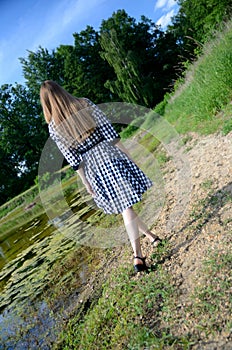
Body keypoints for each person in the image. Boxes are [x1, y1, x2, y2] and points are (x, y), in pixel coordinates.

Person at [40, 80, 161, 272]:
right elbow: (109, 133)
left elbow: (72, 157)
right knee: (126, 205)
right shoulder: (84, 103)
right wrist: (128, 154)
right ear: (62, 91)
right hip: (108, 154)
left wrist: (85, 181)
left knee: (125, 203)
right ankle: (138, 256)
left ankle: (151, 236)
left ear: (46, 103)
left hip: (92, 167)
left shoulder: (54, 127)